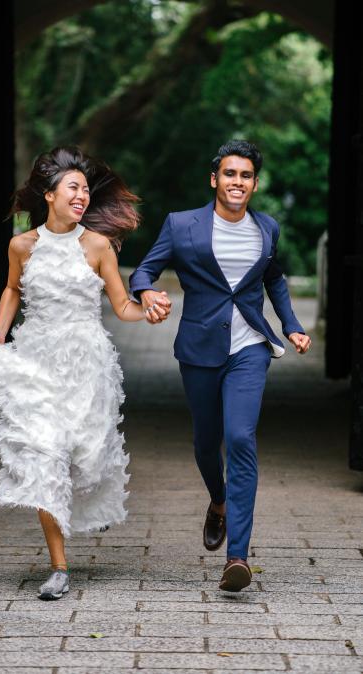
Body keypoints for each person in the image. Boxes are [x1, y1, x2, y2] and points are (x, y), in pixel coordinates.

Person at [0, 146, 170, 600]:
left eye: (85, 189)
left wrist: (151, 310)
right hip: (36, 361)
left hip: (87, 364)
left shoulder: (98, 246)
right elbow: (11, 290)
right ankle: (59, 567)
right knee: (45, 456)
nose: (82, 195)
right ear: (49, 195)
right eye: (73, 188)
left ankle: (89, 498)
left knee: (87, 456)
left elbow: (122, 307)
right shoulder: (22, 245)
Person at [130, 140, 311, 592]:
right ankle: (218, 501)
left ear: (254, 183)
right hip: (199, 348)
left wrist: (290, 325)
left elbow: (274, 279)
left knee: (240, 437)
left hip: (250, 345)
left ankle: (238, 558)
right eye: (229, 174)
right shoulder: (181, 224)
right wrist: (147, 293)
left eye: (246, 176)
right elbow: (143, 272)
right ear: (215, 179)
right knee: (206, 441)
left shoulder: (266, 227)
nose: (237, 182)